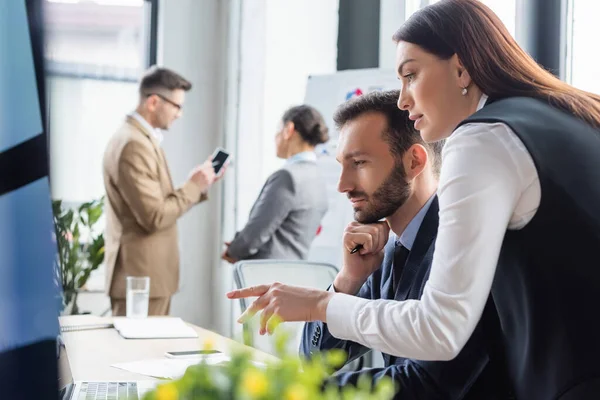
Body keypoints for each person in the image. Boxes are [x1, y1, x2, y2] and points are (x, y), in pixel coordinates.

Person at [227, 1, 600, 398]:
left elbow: (440, 331)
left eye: (411, 74)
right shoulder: (563, 116)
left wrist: (318, 308)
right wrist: (345, 284)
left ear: (461, 67)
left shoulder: (483, 139)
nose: (404, 100)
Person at [300, 90, 510, 399]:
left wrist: (297, 392)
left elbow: (427, 385)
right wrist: (348, 280)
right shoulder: (387, 249)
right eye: (342, 165)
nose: (342, 185)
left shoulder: (462, 242)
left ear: (414, 161)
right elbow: (315, 361)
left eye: (358, 162)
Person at [104, 66, 225, 316]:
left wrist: (198, 183)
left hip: (148, 279)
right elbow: (154, 217)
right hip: (140, 280)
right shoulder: (133, 145)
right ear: (154, 102)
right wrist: (194, 186)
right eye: (177, 106)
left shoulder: (139, 139)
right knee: (140, 354)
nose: (179, 114)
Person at [222, 105, 328, 263]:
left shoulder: (288, 176)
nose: (275, 137)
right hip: (295, 272)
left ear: (289, 130)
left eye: (278, 130)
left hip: (268, 275)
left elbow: (255, 233)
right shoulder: (318, 177)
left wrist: (234, 251)